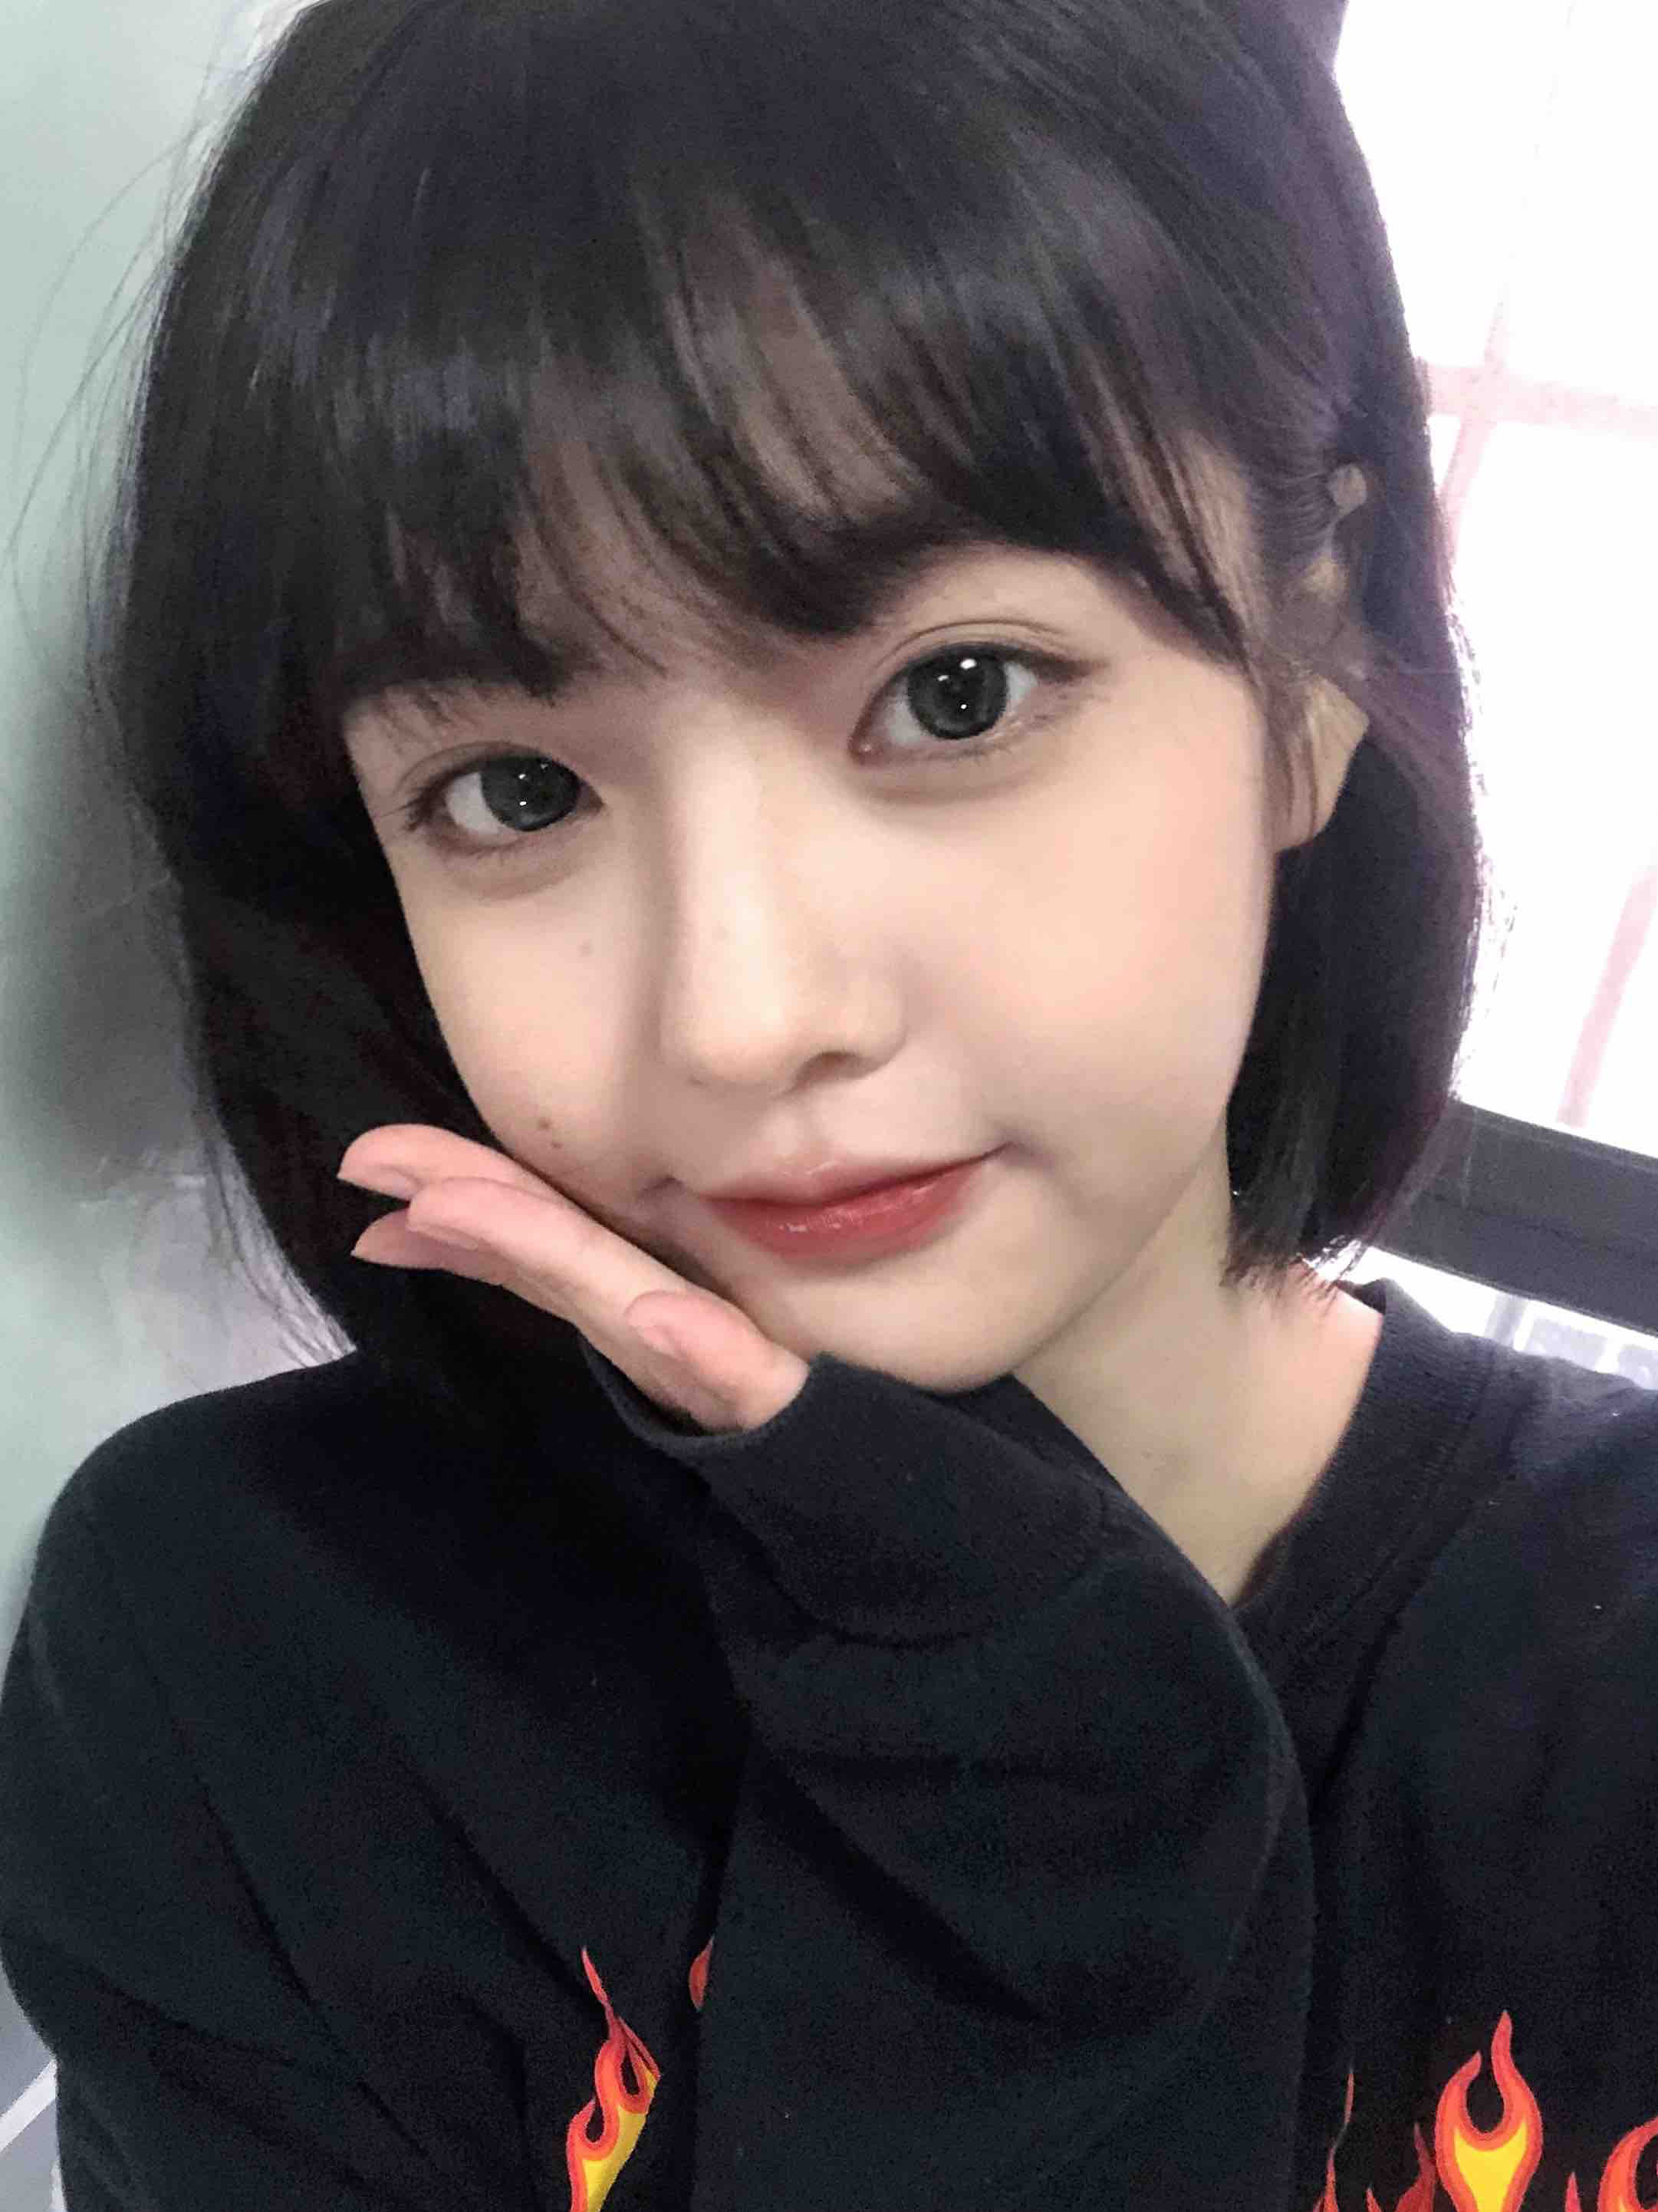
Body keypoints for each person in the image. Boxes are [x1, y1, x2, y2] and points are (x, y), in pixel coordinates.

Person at [3, 0, 1656, 2204]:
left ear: (1312, 663)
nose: (741, 1015)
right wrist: (1019, 1797)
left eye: (954, 693)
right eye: (516, 790)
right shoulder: (251, 1661)